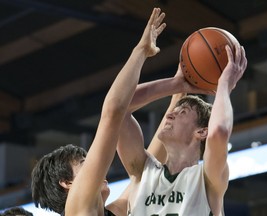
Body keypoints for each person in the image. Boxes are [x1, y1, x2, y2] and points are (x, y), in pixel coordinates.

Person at [31, 7, 167, 216]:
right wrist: (141, 50)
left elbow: (149, 171)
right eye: (85, 164)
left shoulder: (112, 212)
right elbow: (113, 111)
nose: (97, 164)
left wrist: (180, 91)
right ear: (68, 183)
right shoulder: (77, 210)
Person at [116, 42, 247, 215]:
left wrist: (224, 84)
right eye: (173, 111)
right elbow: (118, 107)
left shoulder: (207, 178)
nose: (169, 115)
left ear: (201, 132)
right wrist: (175, 85)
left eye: (182, 112)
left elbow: (219, 133)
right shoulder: (143, 171)